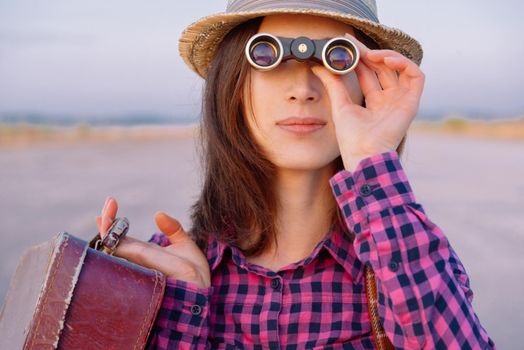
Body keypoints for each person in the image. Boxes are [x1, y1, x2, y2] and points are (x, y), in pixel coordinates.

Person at [95, 0, 496, 348]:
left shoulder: (407, 261)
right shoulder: (166, 270)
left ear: (367, 83)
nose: (303, 89)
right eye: (267, 56)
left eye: (336, 59)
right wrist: (185, 302)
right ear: (232, 84)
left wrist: (373, 159)